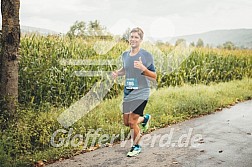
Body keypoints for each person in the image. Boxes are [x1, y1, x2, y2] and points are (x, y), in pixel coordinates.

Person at [112, 27, 157, 157]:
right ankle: (145, 119)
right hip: (128, 93)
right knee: (126, 122)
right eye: (131, 36)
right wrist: (117, 73)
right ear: (128, 38)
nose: (133, 39)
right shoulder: (125, 55)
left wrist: (143, 68)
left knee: (132, 122)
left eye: (136, 37)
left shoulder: (146, 56)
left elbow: (154, 76)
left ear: (141, 40)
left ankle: (136, 146)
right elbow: (125, 69)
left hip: (142, 92)